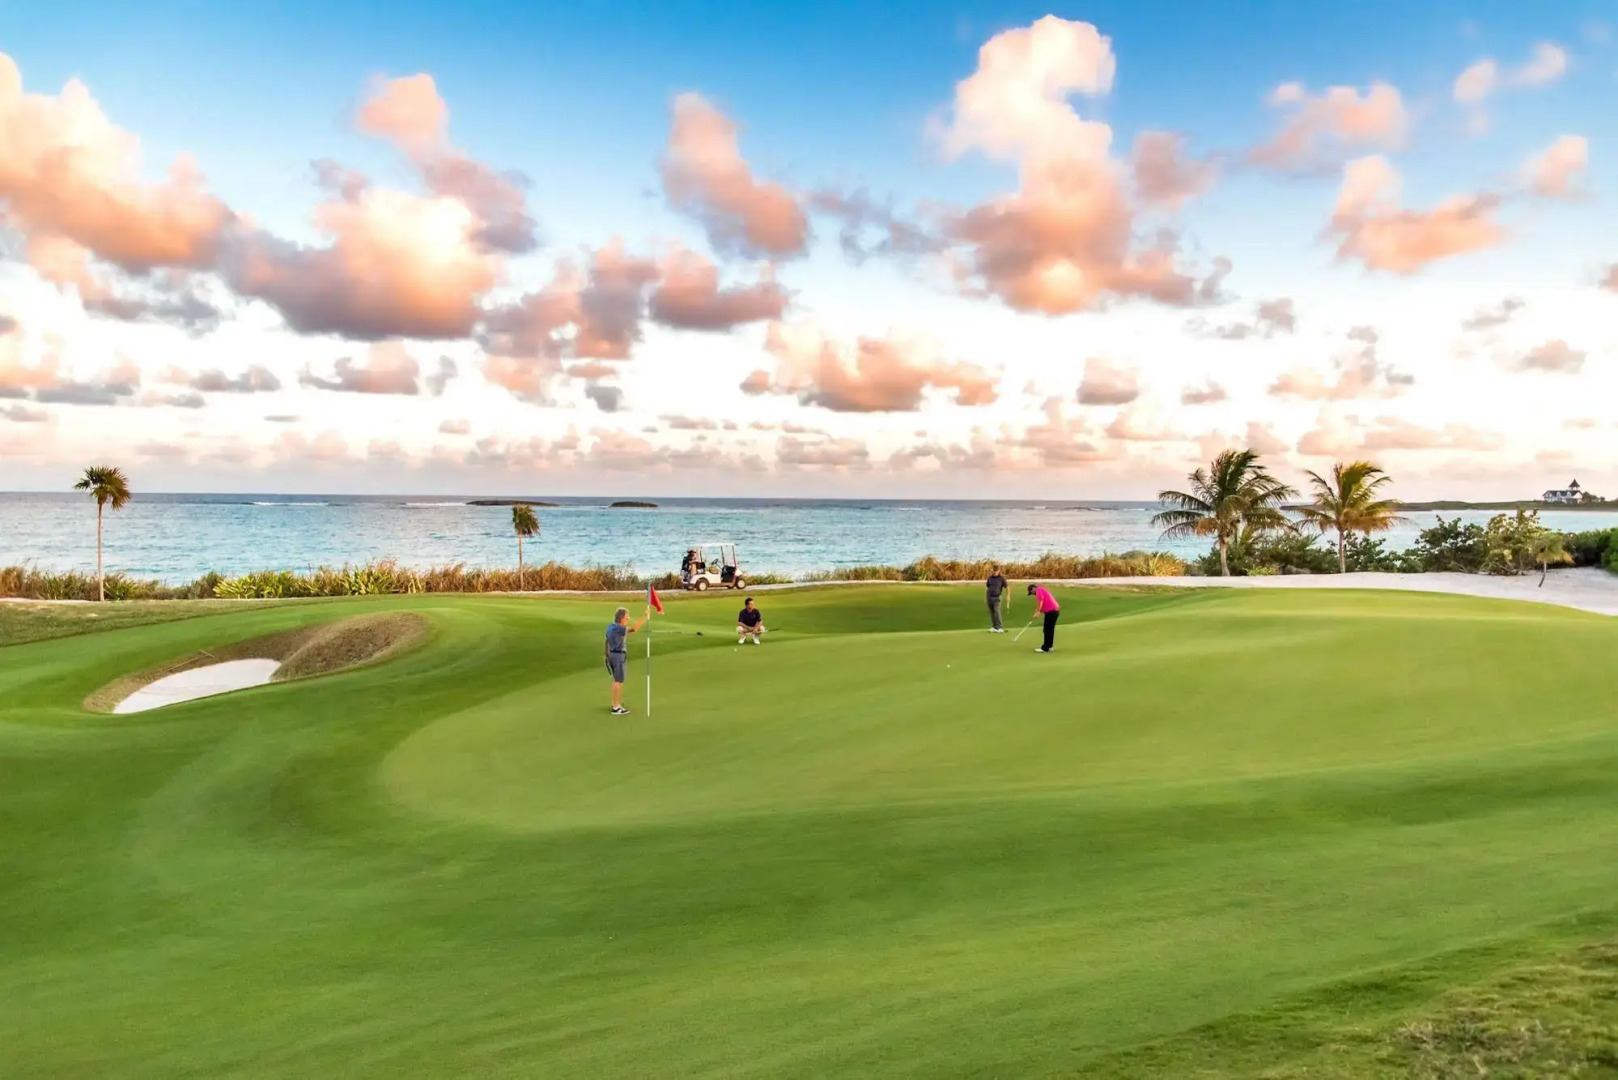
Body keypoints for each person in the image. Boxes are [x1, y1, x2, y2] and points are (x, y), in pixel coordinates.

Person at [605, 605, 648, 714]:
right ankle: (615, 707)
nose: (628, 619)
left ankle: (616, 703)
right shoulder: (619, 628)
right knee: (618, 681)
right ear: (621, 618)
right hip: (618, 656)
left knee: (617, 680)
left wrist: (606, 655)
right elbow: (634, 628)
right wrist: (645, 616)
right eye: (626, 617)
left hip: (612, 655)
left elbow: (606, 641)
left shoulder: (610, 627)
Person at [1027, 583, 1060, 653]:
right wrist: (1038, 611)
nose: (1032, 594)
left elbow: (1041, 601)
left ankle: (1045, 648)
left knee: (1047, 629)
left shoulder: (1039, 590)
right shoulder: (1041, 590)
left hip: (1051, 612)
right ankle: (1050, 647)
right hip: (1054, 611)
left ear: (1033, 589)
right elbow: (1043, 603)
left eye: (1031, 592)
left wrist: (1038, 611)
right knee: (1050, 630)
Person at [985, 565, 1009, 632]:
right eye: (994, 570)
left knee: (997, 612)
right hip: (989, 597)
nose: (995, 572)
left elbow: (1007, 587)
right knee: (992, 612)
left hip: (997, 597)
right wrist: (986, 597)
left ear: (999, 571)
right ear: (992, 570)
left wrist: (1008, 596)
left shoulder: (1002, 578)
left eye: (996, 571)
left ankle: (1000, 627)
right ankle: (994, 627)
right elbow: (987, 587)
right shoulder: (990, 578)